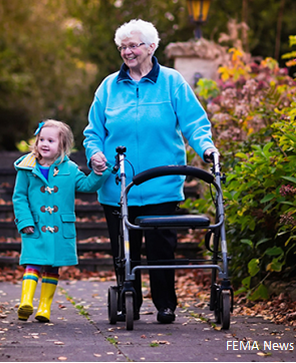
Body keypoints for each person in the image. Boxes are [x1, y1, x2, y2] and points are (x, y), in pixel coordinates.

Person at [83, 19, 218, 324]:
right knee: (124, 249)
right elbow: (94, 132)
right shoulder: (108, 87)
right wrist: (95, 155)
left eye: (133, 46)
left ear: (151, 47)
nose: (127, 52)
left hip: (162, 181)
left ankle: (165, 304)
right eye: (123, 47)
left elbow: (194, 123)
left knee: (161, 248)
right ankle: (128, 296)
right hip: (118, 184)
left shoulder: (172, 82)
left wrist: (207, 148)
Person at [13, 119, 111, 322]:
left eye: (51, 140)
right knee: (32, 262)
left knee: (52, 267)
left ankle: (44, 308)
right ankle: (26, 301)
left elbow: (86, 185)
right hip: (35, 226)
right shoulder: (26, 168)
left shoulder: (70, 169)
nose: (45, 144)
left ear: (63, 145)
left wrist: (101, 172)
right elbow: (19, 196)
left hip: (59, 228)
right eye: (41, 139)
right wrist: (24, 221)